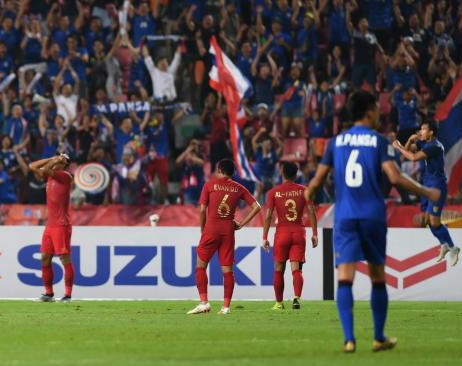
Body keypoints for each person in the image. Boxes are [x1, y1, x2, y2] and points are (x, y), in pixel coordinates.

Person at [305, 90, 441, 353]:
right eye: (377, 109)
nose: (380, 113)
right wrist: (426, 192)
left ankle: (349, 339)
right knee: (378, 276)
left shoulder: (335, 142)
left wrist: (309, 192)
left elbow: (317, 181)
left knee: (345, 278)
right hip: (372, 216)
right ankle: (378, 337)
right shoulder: (379, 141)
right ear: (368, 111)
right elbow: (395, 177)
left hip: (345, 216)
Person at [187, 159, 261, 315]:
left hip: (211, 228)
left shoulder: (209, 185)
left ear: (219, 170)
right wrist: (241, 224)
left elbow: (202, 211)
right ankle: (226, 307)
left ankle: (204, 303)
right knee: (227, 270)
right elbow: (257, 207)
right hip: (228, 230)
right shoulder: (238, 188)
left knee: (200, 266)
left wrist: (203, 230)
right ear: (233, 172)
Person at [392, 120, 460, 265]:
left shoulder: (435, 146)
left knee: (434, 221)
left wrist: (398, 146)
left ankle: (453, 248)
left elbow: (412, 158)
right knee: (428, 220)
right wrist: (409, 141)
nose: (420, 131)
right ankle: (444, 244)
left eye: (423, 129)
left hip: (437, 186)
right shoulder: (425, 144)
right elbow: (405, 155)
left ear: (431, 133)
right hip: (428, 184)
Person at [263, 161, 318, 310]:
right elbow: (312, 212)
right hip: (298, 233)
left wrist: (265, 237)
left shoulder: (273, 192)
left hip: (282, 233)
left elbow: (268, 216)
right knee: (296, 269)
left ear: (282, 173)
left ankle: (279, 303)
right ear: (296, 174)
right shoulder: (304, 191)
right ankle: (297, 298)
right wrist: (315, 234)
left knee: (278, 268)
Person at [29, 154, 74, 302]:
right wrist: (52, 158)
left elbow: (44, 170)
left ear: (65, 166)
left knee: (64, 257)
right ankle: (49, 293)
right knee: (45, 257)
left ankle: (67, 295)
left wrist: (54, 162)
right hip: (51, 225)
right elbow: (32, 166)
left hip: (62, 225)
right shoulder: (51, 176)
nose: (58, 162)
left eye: (62, 161)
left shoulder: (65, 176)